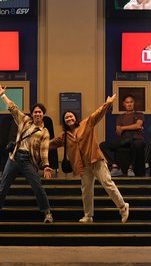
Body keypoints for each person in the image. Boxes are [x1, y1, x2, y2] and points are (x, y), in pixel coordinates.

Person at [51, 95, 129, 223]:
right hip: (83, 166)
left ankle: (122, 207)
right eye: (66, 118)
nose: (69, 119)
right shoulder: (64, 136)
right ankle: (88, 216)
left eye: (71, 116)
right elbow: (51, 144)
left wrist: (107, 103)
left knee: (107, 184)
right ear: (64, 121)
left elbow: (98, 114)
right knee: (86, 190)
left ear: (75, 117)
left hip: (95, 160)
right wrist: (36, 142)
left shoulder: (86, 123)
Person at [0, 83, 53, 223]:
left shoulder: (44, 132)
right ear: (32, 114)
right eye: (35, 112)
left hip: (28, 160)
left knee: (37, 187)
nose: (37, 114)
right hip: (15, 157)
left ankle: (47, 213)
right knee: (3, 186)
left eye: (40, 112)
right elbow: (13, 108)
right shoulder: (25, 121)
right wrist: (3, 95)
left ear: (43, 114)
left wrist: (46, 166)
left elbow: (44, 150)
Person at [100, 94, 146, 177]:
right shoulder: (120, 117)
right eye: (127, 102)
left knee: (137, 144)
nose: (129, 104)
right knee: (103, 145)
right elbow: (118, 131)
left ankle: (131, 168)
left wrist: (123, 127)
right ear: (124, 104)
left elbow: (138, 125)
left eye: (131, 102)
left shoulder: (139, 114)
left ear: (134, 103)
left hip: (136, 139)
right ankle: (115, 166)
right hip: (124, 139)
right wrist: (133, 127)